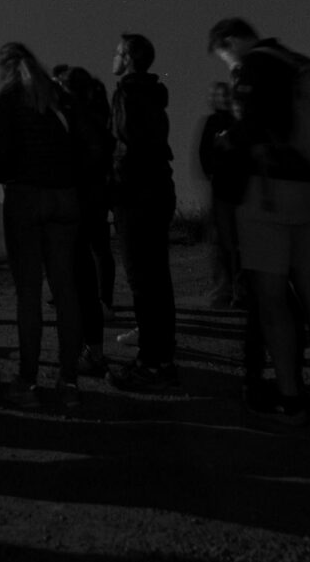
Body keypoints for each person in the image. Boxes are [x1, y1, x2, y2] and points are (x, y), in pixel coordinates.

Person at [207, 17, 310, 424]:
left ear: (230, 40)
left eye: (223, 55)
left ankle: (290, 396)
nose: (227, 64)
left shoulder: (254, 65)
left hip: (270, 194)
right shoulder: (293, 59)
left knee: (271, 300)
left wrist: (226, 139)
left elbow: (250, 128)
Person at [0, 42, 83, 412]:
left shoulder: (6, 98)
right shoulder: (58, 94)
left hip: (26, 200)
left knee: (29, 295)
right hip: (65, 199)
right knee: (66, 291)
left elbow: (1, 167)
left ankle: (27, 381)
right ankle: (70, 381)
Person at [106, 33, 178, 393]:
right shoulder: (152, 94)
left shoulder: (126, 94)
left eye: (118, 52)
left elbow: (124, 146)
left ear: (129, 58)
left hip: (135, 195)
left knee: (142, 281)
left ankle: (151, 364)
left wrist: (111, 189)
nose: (113, 58)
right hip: (159, 189)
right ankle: (162, 356)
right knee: (157, 278)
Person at [60, 66, 114, 376]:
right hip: (94, 205)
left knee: (75, 283)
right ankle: (94, 349)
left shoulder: (71, 125)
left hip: (75, 209)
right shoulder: (98, 123)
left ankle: (81, 351)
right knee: (87, 284)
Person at [197, 82, 244, 308]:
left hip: (235, 190)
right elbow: (204, 156)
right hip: (225, 190)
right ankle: (227, 288)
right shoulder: (214, 123)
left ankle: (236, 289)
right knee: (224, 243)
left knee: (234, 243)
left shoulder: (235, 122)